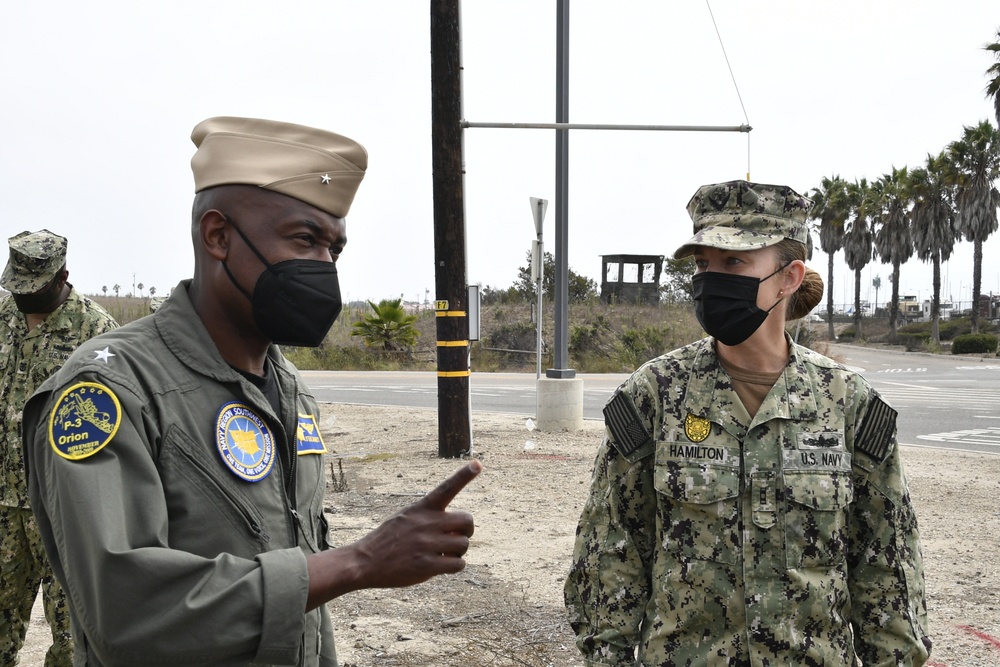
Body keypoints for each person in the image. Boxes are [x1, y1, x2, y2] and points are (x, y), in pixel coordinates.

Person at [21, 116, 481, 666]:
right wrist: (358, 562)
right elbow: (125, 610)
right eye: (305, 240)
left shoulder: (287, 389)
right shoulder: (110, 391)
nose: (325, 268)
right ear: (218, 236)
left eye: (335, 249)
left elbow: (296, 592)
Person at [564, 180, 931, 665]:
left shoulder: (848, 402)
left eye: (734, 262)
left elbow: (887, 569)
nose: (711, 279)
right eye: (703, 264)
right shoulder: (655, 394)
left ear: (789, 277)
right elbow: (611, 552)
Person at [0, 229, 118, 666]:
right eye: (15, 287)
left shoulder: (97, 332)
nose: (21, 296)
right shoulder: (2, 317)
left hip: (63, 507)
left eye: (33, 289)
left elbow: (115, 422)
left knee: (72, 632)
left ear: (62, 275)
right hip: (3, 504)